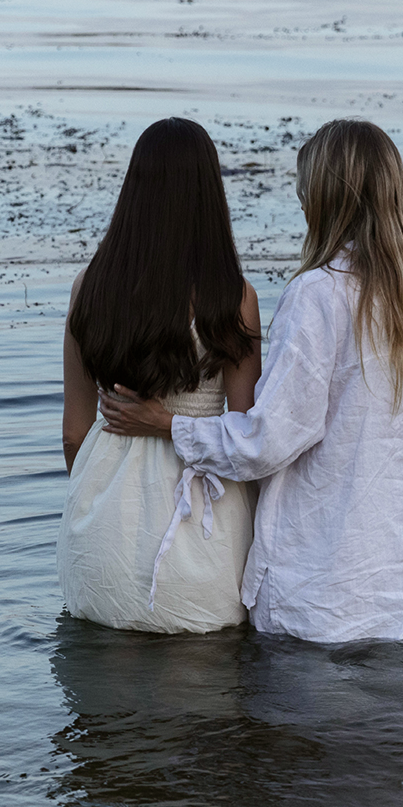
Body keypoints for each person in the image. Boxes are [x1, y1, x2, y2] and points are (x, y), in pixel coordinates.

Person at [100, 118, 403, 643]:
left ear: (328, 196)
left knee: (292, 726)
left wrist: (166, 423)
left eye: (306, 187)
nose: (301, 199)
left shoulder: (319, 293)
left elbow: (267, 440)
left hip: (318, 597)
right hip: (402, 592)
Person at [57, 117, 262, 633]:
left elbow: (73, 434)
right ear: (208, 193)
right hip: (199, 536)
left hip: (101, 531)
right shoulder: (232, 296)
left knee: (104, 708)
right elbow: (247, 434)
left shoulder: (89, 286)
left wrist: (98, 499)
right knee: (202, 699)